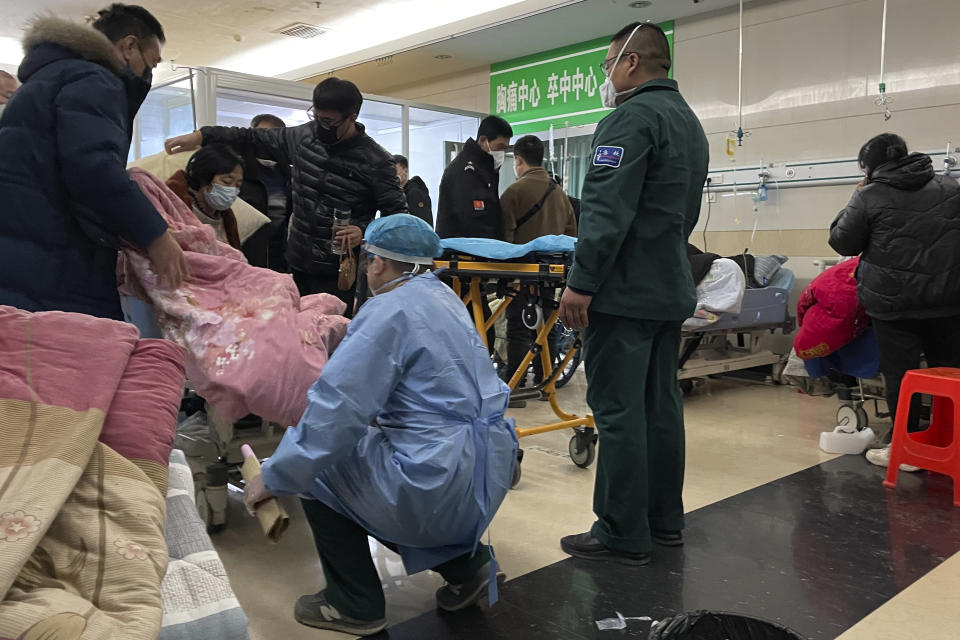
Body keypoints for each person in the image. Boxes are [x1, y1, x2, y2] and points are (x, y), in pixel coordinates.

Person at [243, 214, 518, 636]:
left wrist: (275, 475)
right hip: (485, 472)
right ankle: (470, 568)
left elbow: (334, 415)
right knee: (383, 470)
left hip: (436, 482)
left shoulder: (386, 310)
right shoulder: (445, 299)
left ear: (378, 263)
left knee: (325, 464)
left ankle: (352, 603)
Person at [558, 22, 709, 565]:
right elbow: (681, 213)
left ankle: (621, 531)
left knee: (618, 410)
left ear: (630, 63)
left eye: (606, 65)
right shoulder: (689, 124)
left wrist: (582, 281)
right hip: (669, 285)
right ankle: (665, 521)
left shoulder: (629, 119)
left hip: (623, 291)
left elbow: (605, 212)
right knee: (660, 408)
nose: (606, 75)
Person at [0, 5, 187, 320]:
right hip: (58, 260)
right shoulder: (94, 79)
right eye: (151, 62)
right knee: (77, 357)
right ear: (129, 46)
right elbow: (94, 168)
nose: (148, 74)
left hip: (24, 255)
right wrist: (157, 236)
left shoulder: (47, 79)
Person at [164, 77, 407, 312]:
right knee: (294, 333)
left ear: (352, 117)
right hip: (296, 262)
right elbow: (249, 137)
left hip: (339, 271)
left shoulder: (377, 161)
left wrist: (364, 231)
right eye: (317, 117)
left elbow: (398, 217)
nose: (321, 126)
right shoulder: (303, 137)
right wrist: (201, 136)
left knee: (331, 336)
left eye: (329, 122)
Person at [829, 133, 960, 468]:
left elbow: (843, 243)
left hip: (893, 304)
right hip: (948, 300)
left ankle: (907, 449)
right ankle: (951, 442)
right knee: (951, 374)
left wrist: (854, 197)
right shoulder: (951, 188)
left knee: (902, 377)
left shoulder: (869, 196)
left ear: (869, 167)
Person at [499, 135, 578, 393]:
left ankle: (516, 384)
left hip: (520, 271)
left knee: (518, 327)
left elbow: (505, 237)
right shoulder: (559, 193)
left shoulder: (513, 192)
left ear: (518, 160)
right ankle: (547, 381)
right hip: (550, 273)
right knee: (545, 325)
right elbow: (571, 235)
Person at [436, 115, 513, 239]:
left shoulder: (487, 169)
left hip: (479, 251)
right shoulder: (465, 170)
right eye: (499, 147)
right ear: (483, 141)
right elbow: (472, 220)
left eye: (505, 148)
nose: (502, 153)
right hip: (464, 253)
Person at [165, 144, 244, 249]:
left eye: (238, 185)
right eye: (227, 181)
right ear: (204, 176)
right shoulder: (177, 206)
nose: (232, 190)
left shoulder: (226, 218)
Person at [240, 113, 292, 271]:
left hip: (279, 256)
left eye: (272, 137)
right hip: (244, 253)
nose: (266, 142)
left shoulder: (288, 175)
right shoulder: (238, 171)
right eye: (261, 135)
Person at [393, 154, 433, 226]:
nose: (393, 175)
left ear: (405, 171)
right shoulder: (397, 194)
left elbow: (423, 224)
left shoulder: (414, 193)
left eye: (395, 171)